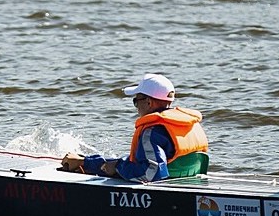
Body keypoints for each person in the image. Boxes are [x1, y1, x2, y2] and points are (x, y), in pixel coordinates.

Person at [60, 73, 210, 182]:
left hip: (163, 192)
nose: (136, 107)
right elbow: (145, 163)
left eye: (136, 101)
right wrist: (87, 162)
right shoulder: (189, 124)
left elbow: (152, 173)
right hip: (185, 180)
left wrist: (118, 167)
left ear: (149, 103)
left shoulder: (151, 132)